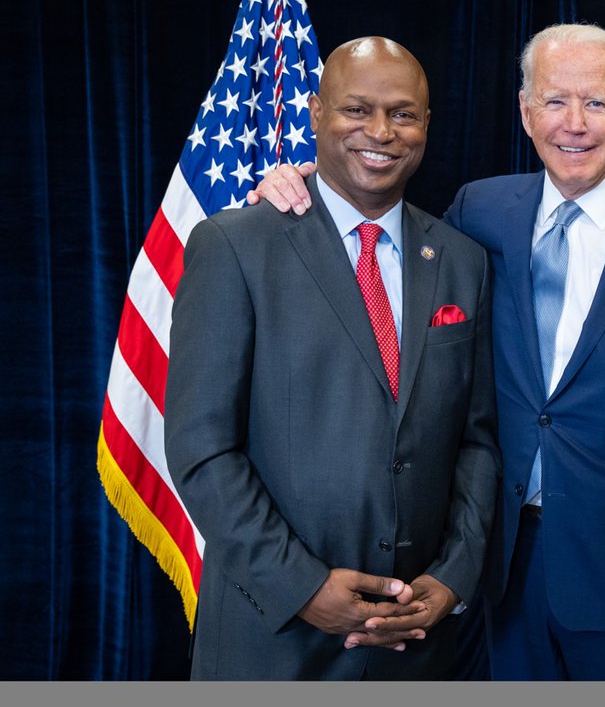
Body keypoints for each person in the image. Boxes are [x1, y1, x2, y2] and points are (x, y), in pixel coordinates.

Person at [250, 23, 605, 680]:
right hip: (499, 568)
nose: (575, 125)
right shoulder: (480, 212)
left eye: (595, 103)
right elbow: (383, 231)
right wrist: (305, 183)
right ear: (525, 111)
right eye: (555, 101)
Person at [164, 37, 499, 680]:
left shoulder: (462, 260)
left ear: (426, 125)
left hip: (414, 644)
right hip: (274, 637)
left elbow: (477, 441)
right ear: (315, 112)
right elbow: (203, 451)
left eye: (403, 114)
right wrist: (302, 588)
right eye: (356, 110)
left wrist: (452, 579)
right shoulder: (235, 246)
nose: (381, 131)